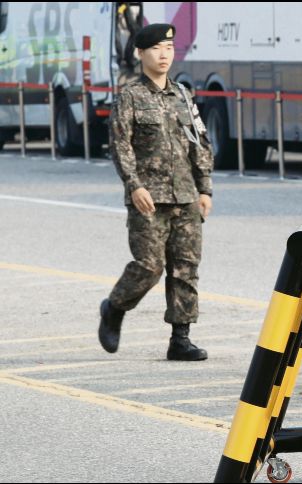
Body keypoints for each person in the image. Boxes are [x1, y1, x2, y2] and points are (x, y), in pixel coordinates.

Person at [98, 23, 214, 361]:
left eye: (168, 48)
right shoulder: (130, 96)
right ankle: (115, 306)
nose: (163, 55)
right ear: (140, 53)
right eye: (155, 49)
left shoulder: (182, 94)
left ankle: (181, 339)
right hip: (148, 197)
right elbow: (120, 145)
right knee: (149, 266)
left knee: (186, 267)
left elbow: (200, 142)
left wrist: (205, 187)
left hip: (186, 195)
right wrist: (134, 185)